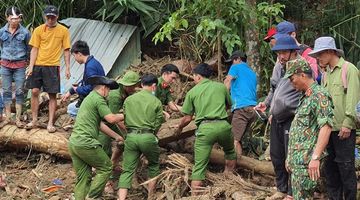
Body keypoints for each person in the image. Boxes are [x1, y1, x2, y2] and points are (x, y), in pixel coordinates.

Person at [308, 36, 360, 199]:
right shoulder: (325, 75)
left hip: (343, 130)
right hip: (327, 131)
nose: (318, 58)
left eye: (320, 54)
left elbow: (353, 97)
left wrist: (348, 123)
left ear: (330, 52)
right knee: (330, 171)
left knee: (346, 169)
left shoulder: (348, 69)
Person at [175, 63, 236, 195]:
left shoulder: (192, 92)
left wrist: (179, 128)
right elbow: (229, 105)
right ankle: (229, 179)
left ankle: (195, 196)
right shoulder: (221, 87)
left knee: (199, 166)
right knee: (230, 151)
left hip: (205, 129)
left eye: (194, 76)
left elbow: (187, 118)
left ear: (197, 76)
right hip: (223, 125)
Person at [255, 35, 302, 200]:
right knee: (276, 154)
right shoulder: (278, 67)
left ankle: (292, 191)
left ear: (292, 52)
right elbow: (273, 89)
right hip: (276, 117)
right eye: (278, 53)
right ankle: (281, 188)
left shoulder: (301, 67)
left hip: (292, 117)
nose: (281, 56)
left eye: (284, 53)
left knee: (291, 155)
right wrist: (266, 104)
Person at [283, 58, 334, 199]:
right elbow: (299, 130)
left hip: (307, 163)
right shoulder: (305, 97)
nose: (291, 83)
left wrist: (316, 157)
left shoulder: (319, 95)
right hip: (298, 163)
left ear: (302, 75)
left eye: (292, 79)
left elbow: (326, 127)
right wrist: (290, 158)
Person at [68, 75, 124, 200]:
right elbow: (111, 118)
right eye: (109, 90)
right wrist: (126, 113)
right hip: (86, 142)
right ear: (104, 88)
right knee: (106, 167)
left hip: (74, 142)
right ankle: (93, 197)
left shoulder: (89, 98)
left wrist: (116, 136)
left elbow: (99, 124)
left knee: (84, 177)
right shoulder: (98, 99)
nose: (109, 93)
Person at [117, 74, 164, 200]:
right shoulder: (156, 101)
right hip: (148, 136)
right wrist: (152, 133)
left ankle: (121, 198)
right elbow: (159, 121)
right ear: (154, 86)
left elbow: (125, 118)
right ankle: (151, 196)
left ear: (141, 85)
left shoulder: (129, 100)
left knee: (127, 170)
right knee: (153, 165)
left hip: (131, 137)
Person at [25, 5, 71, 133]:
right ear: (45, 16)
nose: (50, 19)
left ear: (57, 17)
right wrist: (31, 66)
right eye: (48, 17)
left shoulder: (63, 31)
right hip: (38, 65)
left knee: (52, 95)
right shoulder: (39, 30)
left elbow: (66, 50)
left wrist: (67, 68)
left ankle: (50, 123)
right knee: (34, 91)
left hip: (52, 66)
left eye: (53, 17)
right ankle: (34, 120)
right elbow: (34, 49)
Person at [98, 71, 140, 193]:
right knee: (104, 151)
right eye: (132, 86)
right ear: (126, 85)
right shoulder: (115, 96)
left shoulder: (126, 92)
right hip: (103, 124)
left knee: (123, 143)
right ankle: (106, 182)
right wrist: (128, 130)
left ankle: (114, 163)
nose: (134, 88)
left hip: (111, 122)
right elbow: (114, 119)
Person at [0, 7, 31, 128]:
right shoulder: (2, 32)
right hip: (5, 65)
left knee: (19, 91)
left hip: (20, 65)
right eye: (12, 18)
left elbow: (30, 48)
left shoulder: (25, 32)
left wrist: (27, 62)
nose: (15, 21)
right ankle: (7, 118)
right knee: (6, 90)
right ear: (7, 18)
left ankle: (18, 119)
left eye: (17, 18)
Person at [224, 50, 257, 157]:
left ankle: (232, 168)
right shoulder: (252, 72)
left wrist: (221, 97)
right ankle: (244, 166)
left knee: (234, 140)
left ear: (238, 59)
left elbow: (228, 81)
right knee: (242, 139)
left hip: (241, 108)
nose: (231, 65)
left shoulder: (236, 67)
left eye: (233, 61)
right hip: (253, 109)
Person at [61, 40, 105, 117]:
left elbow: (91, 87)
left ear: (79, 54)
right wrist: (71, 91)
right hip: (96, 97)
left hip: (96, 100)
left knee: (71, 109)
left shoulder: (90, 67)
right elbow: (85, 81)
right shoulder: (92, 62)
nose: (75, 58)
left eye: (74, 56)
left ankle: (87, 126)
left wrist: (77, 89)